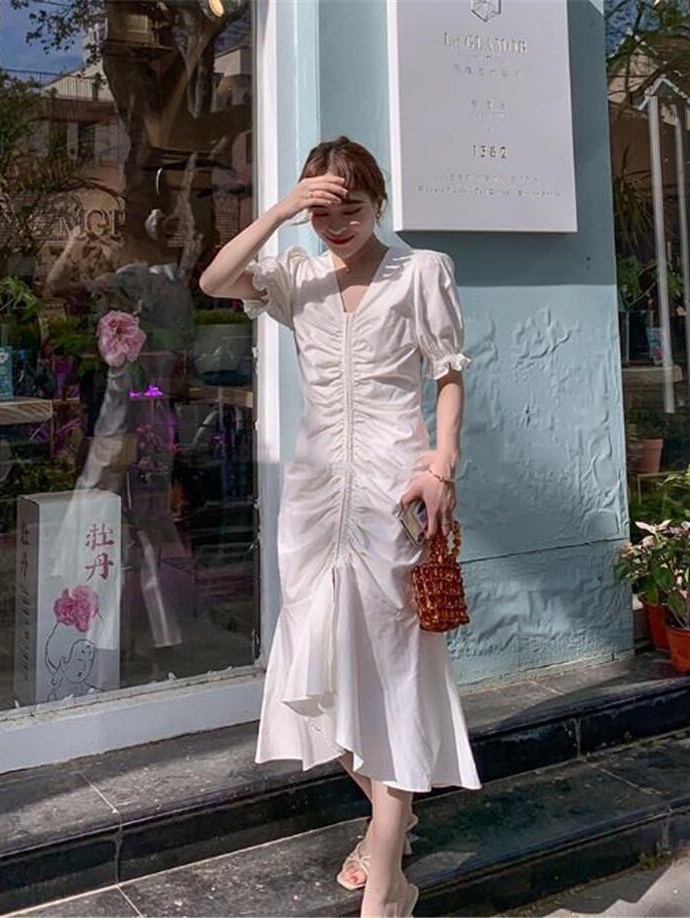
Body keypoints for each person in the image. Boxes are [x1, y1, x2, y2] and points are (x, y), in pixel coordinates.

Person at [199, 136, 482, 918]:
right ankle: (394, 821)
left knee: (393, 675)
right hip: (315, 501)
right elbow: (215, 279)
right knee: (317, 674)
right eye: (323, 211)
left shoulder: (420, 272)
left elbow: (448, 373)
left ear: (378, 202)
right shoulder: (296, 278)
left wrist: (441, 464)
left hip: (394, 495)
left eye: (351, 206)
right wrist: (282, 209)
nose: (337, 223)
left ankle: (387, 883)